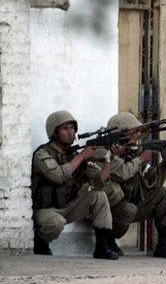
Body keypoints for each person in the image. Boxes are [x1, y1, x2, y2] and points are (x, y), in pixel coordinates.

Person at [31, 110, 118, 260]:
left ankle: (102, 246)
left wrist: (108, 160)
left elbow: (98, 182)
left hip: (69, 206)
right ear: (54, 132)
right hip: (46, 210)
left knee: (98, 194)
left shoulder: (75, 154)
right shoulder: (42, 154)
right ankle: (41, 243)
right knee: (56, 223)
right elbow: (57, 176)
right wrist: (82, 156)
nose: (71, 132)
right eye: (65, 129)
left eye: (72, 128)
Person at [105, 112, 166, 259]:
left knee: (162, 193)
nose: (138, 135)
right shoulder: (108, 152)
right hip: (112, 211)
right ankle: (108, 240)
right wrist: (140, 159)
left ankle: (164, 244)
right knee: (128, 209)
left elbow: (153, 182)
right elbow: (119, 174)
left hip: (132, 205)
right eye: (134, 131)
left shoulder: (135, 153)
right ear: (121, 133)